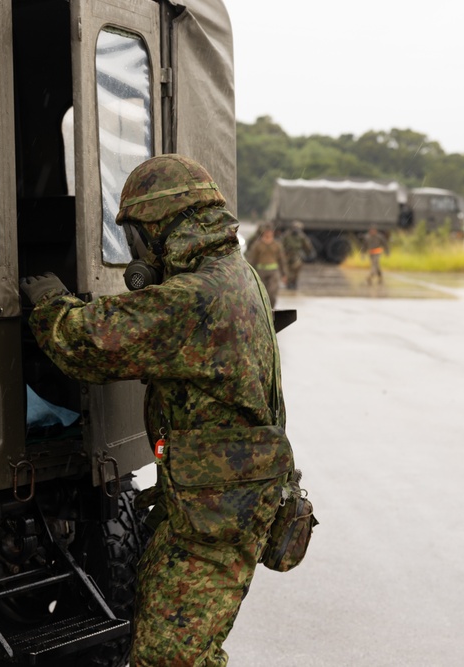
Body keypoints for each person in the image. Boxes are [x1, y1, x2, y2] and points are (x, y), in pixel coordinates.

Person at [19, 154, 294, 666]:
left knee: (170, 658)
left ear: (162, 228)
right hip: (215, 499)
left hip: (217, 511)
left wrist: (51, 302)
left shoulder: (196, 296)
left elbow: (90, 343)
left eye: (137, 235)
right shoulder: (236, 274)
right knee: (176, 646)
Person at [245, 225, 287, 307]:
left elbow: (282, 260)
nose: (268, 236)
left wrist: (284, 274)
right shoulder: (257, 245)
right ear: (263, 234)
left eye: (270, 234)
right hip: (261, 271)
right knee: (261, 293)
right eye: (266, 234)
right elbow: (252, 259)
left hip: (273, 272)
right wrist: (248, 273)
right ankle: (263, 309)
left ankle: (271, 310)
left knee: (272, 292)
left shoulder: (277, 245)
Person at [280, 221, 314, 290]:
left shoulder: (301, 236)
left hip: (296, 255)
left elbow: (307, 246)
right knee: (287, 270)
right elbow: (281, 244)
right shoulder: (286, 235)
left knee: (296, 269)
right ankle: (289, 283)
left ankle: (294, 282)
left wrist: (309, 253)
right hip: (287, 254)